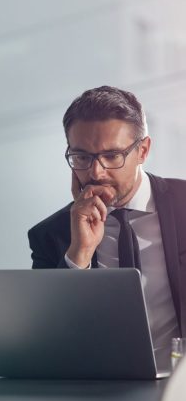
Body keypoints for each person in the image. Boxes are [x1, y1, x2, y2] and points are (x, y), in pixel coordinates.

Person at [28, 85, 186, 363]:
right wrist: (80, 253)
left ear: (143, 150)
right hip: (96, 393)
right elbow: (46, 342)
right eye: (82, 157)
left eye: (112, 156)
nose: (95, 172)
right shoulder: (50, 235)